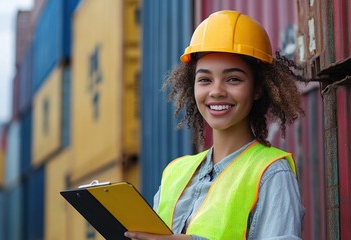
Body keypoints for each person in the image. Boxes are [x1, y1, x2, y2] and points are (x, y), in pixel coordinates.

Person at [125, 10, 305, 240]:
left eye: (233, 79)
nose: (217, 91)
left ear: (258, 89)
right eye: (205, 80)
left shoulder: (271, 173)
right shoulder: (174, 173)